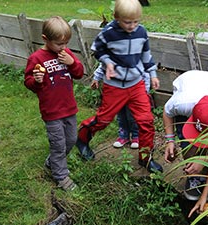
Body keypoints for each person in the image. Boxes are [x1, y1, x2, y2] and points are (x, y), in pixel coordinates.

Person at [76, 0, 162, 173]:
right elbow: (97, 50)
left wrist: (152, 74)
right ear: (116, 18)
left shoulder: (141, 32)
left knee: (146, 121)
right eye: (127, 22)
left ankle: (146, 158)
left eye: (136, 21)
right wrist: (107, 63)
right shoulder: (108, 33)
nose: (132, 26)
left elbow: (146, 55)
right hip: (114, 86)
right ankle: (82, 139)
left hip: (136, 84)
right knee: (104, 120)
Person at [24, 16, 84, 191]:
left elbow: (79, 73)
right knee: (58, 144)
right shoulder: (36, 59)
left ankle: (53, 162)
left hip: (69, 108)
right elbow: (29, 83)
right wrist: (36, 80)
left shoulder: (66, 54)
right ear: (45, 39)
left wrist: (72, 63)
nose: (63, 47)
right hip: (51, 111)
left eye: (66, 43)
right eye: (59, 44)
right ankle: (61, 176)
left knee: (71, 140)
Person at [163, 70, 208, 202]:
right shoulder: (183, 103)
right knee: (187, 141)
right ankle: (194, 177)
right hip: (188, 82)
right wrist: (170, 141)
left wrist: (204, 159)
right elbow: (167, 112)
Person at [91, 64, 152, 149]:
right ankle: (123, 136)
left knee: (132, 115)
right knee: (121, 114)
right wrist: (96, 78)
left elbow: (145, 74)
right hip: (117, 91)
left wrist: (145, 91)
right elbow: (103, 66)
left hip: (134, 92)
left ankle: (136, 136)